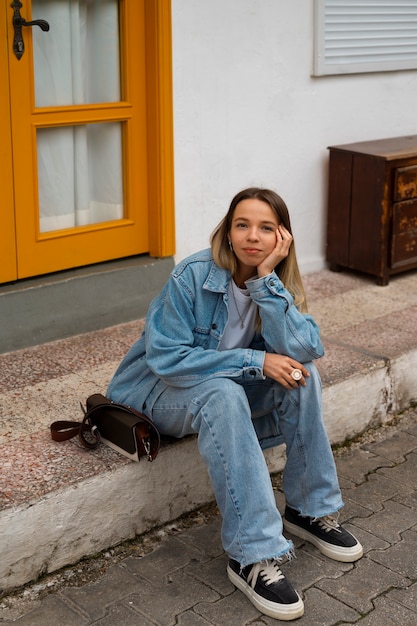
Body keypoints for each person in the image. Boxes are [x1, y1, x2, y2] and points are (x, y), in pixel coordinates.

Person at [107, 187, 363, 621]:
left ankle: (308, 509)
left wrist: (267, 283)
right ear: (227, 232)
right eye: (242, 224)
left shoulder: (276, 283)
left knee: (301, 377)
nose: (252, 236)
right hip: (153, 393)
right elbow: (168, 359)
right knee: (223, 392)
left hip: (215, 388)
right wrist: (254, 359)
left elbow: (306, 348)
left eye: (266, 228)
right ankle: (252, 554)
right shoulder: (192, 275)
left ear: (282, 238)